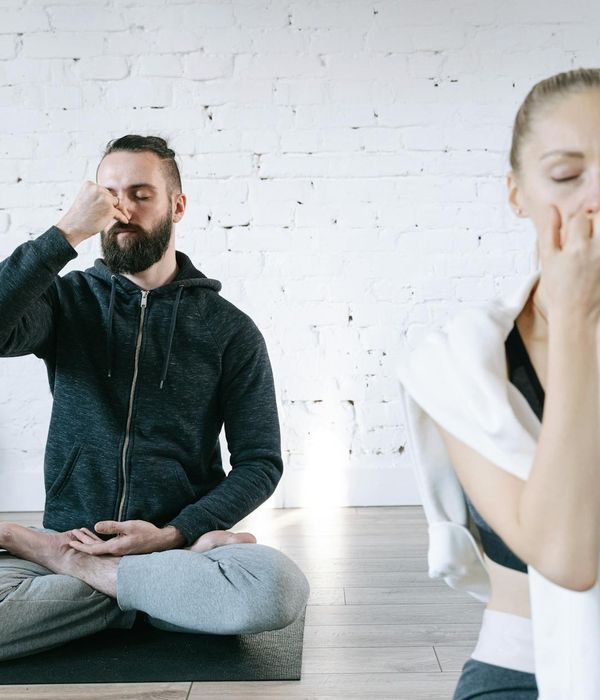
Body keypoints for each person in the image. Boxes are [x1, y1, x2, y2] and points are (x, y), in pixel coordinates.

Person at [0, 135, 309, 662]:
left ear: (177, 206)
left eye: (141, 194)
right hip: (64, 545)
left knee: (275, 588)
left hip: (173, 549)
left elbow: (260, 462)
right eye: (109, 194)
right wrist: (66, 232)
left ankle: (102, 585)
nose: (122, 208)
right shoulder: (65, 301)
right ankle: (147, 596)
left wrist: (174, 535)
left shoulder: (230, 331)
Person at [399, 68, 600, 699]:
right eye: (568, 176)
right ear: (517, 194)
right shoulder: (461, 361)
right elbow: (567, 559)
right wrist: (574, 322)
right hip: (526, 672)